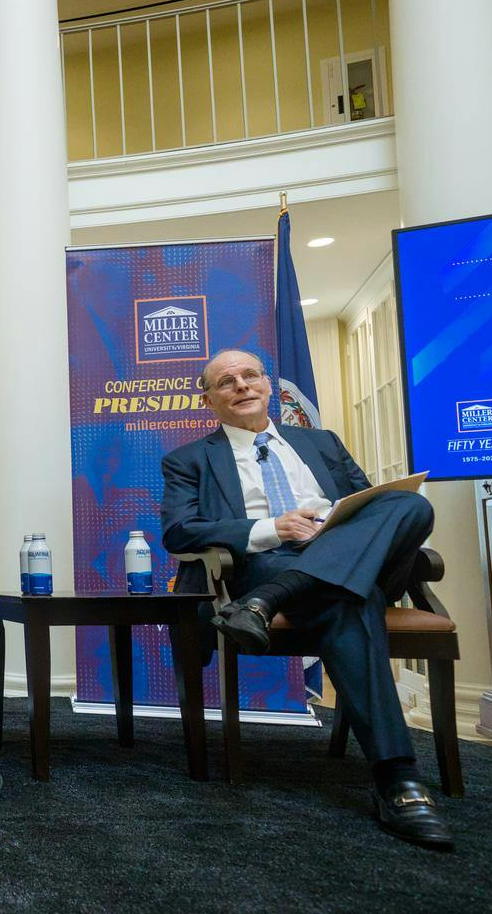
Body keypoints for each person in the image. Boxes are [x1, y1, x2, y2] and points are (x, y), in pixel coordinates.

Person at [159, 348, 451, 850]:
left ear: (268, 385)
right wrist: (272, 528)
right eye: (226, 382)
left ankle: (270, 601)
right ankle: (398, 778)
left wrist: (332, 533)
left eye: (250, 375)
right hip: (270, 559)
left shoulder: (320, 442)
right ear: (209, 399)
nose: (242, 385)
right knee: (345, 599)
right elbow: (179, 531)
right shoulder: (189, 459)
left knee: (406, 504)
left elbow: (373, 506)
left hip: (345, 556)